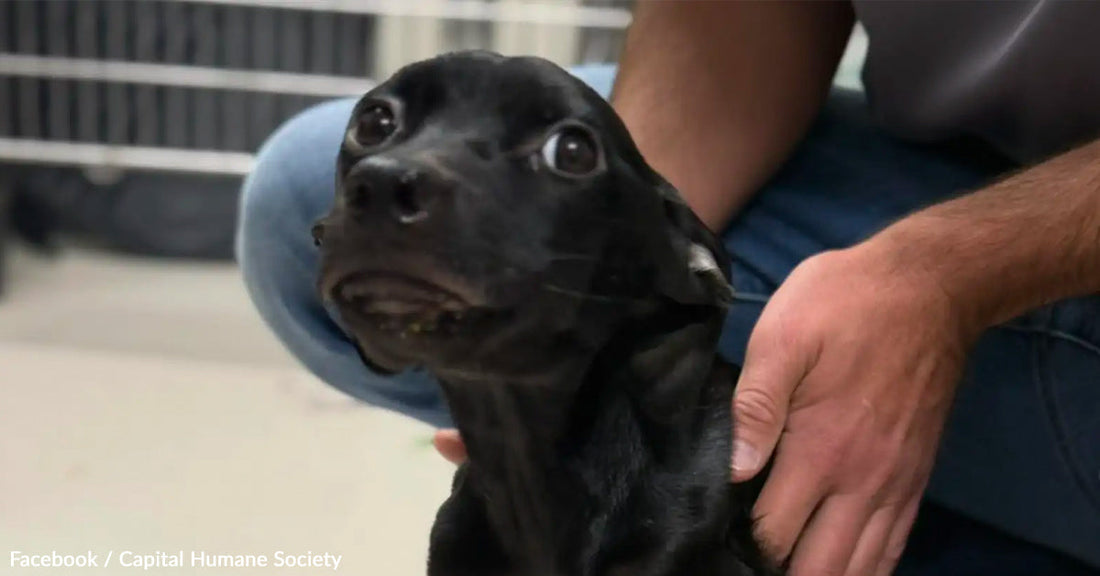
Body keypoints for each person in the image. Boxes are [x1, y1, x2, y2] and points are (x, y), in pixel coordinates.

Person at [235, 2, 1100, 574]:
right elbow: (739, 22)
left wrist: (943, 278)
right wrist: (583, 304)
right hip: (969, 165)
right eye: (382, 131)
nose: (397, 170)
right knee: (300, 195)